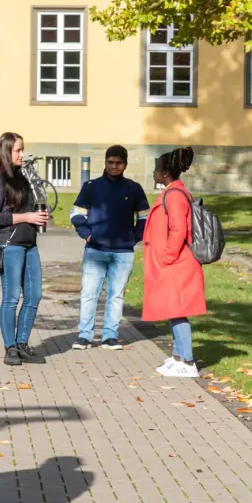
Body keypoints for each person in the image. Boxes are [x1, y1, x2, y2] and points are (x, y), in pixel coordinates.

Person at [70, 145, 150, 350]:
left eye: (119, 163)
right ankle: (84, 336)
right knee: (89, 293)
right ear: (105, 163)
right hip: (95, 251)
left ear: (125, 164)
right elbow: (76, 214)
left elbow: (145, 217)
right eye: (110, 162)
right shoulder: (91, 187)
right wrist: (87, 235)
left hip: (123, 252)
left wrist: (135, 237)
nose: (114, 166)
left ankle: (110, 336)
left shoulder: (134, 188)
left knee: (116, 295)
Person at [0, 132, 49, 367]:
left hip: (30, 244)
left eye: (23, 149)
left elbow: (28, 207)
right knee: (11, 298)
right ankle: (10, 348)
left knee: (34, 295)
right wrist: (26, 216)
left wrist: (38, 216)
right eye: (18, 150)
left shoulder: (21, 177)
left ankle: (22, 343)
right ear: (6, 151)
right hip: (9, 245)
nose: (22, 154)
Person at [141, 147, 206, 378]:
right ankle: (178, 357)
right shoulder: (174, 192)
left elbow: (179, 229)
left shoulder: (175, 195)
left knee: (178, 311)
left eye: (156, 169)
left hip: (177, 264)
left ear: (166, 172)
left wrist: (166, 256)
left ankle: (187, 362)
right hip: (175, 263)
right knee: (173, 310)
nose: (153, 173)